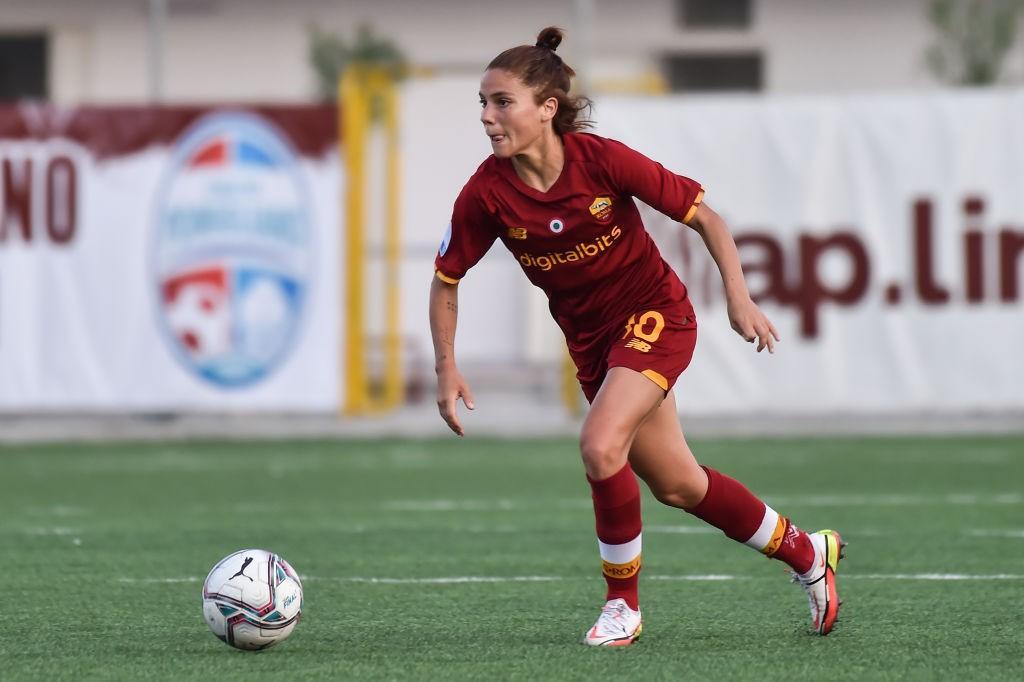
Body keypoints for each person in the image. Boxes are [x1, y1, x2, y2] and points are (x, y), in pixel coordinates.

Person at [428, 26, 845, 646]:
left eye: (501, 103)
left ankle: (622, 605)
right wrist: (446, 366)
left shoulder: (602, 160)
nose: (488, 118)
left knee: (600, 446)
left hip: (656, 316)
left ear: (547, 111)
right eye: (483, 104)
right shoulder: (486, 194)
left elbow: (705, 216)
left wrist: (738, 294)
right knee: (680, 485)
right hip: (595, 347)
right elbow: (446, 280)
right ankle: (808, 553)